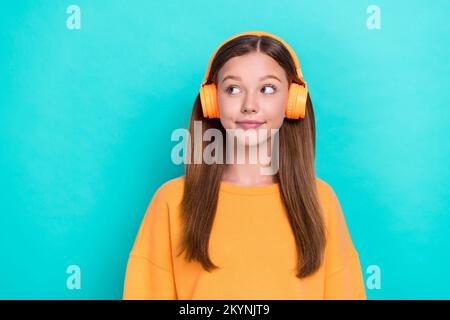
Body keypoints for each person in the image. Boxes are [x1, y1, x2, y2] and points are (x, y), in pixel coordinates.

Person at [122, 30, 366, 300]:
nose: (250, 105)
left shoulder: (321, 201)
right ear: (212, 101)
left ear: (292, 101)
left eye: (268, 89)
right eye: (233, 89)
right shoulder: (171, 200)